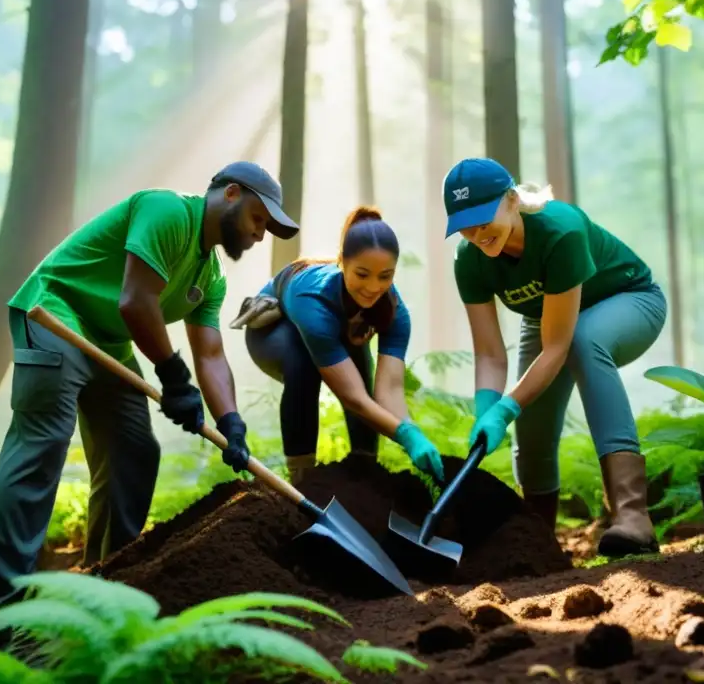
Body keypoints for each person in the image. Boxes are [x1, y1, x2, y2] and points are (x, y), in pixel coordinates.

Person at [0, 161, 299, 627]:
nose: (259, 234)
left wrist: (231, 424)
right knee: (41, 452)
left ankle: (101, 599)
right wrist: (174, 378)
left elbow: (209, 354)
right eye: (258, 219)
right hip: (55, 314)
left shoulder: (209, 275)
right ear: (230, 194)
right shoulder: (166, 212)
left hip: (108, 340)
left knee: (135, 455)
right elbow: (136, 300)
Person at [443, 157, 666, 556]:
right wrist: (488, 409)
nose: (476, 233)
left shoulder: (560, 231)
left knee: (582, 341)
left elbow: (558, 347)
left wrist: (506, 407)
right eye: (464, 223)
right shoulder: (469, 259)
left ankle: (633, 516)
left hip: (629, 300)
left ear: (511, 200)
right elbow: (491, 354)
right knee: (532, 425)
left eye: (482, 218)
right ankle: (537, 538)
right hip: (549, 320)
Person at [236, 207, 444, 485]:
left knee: (362, 377)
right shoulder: (314, 301)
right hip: (273, 332)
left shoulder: (395, 312)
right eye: (362, 274)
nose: (373, 287)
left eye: (385, 276)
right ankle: (302, 478)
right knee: (304, 366)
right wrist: (405, 436)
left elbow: (389, 391)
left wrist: (412, 432)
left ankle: (366, 470)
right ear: (342, 263)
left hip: (341, 330)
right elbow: (352, 398)